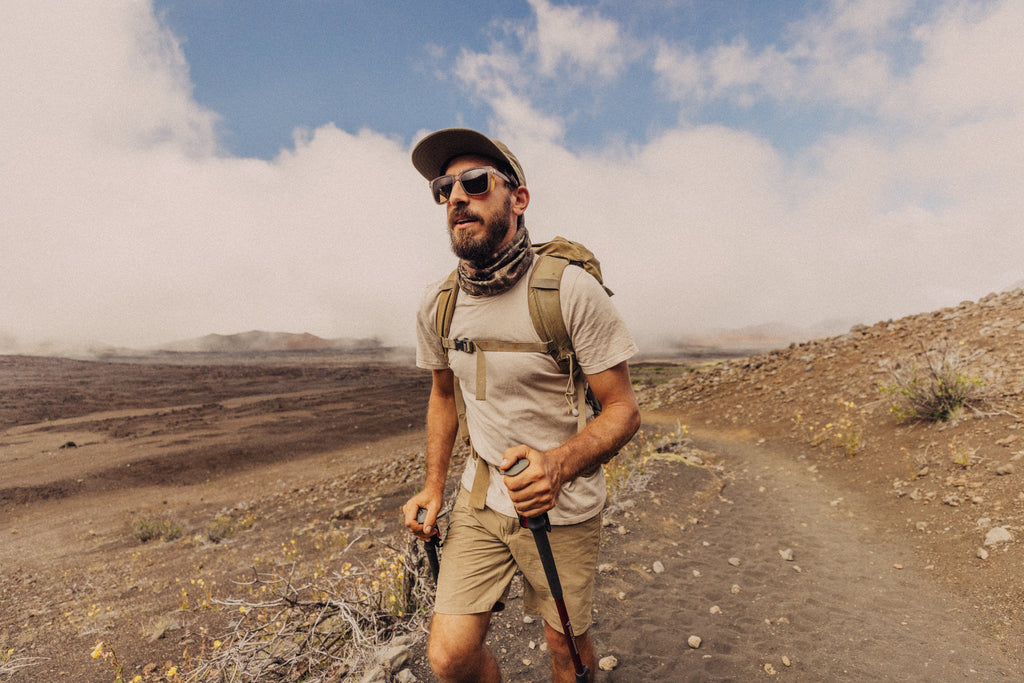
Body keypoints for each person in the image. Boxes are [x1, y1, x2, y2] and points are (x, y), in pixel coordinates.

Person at [403, 127, 641, 683]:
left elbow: (624, 410)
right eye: (444, 188)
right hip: (480, 500)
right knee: (450, 657)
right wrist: (435, 487)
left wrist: (556, 465)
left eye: (476, 182)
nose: (456, 197)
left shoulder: (570, 291)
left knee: (566, 652)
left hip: (564, 508)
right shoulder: (439, 305)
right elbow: (444, 396)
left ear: (518, 198)